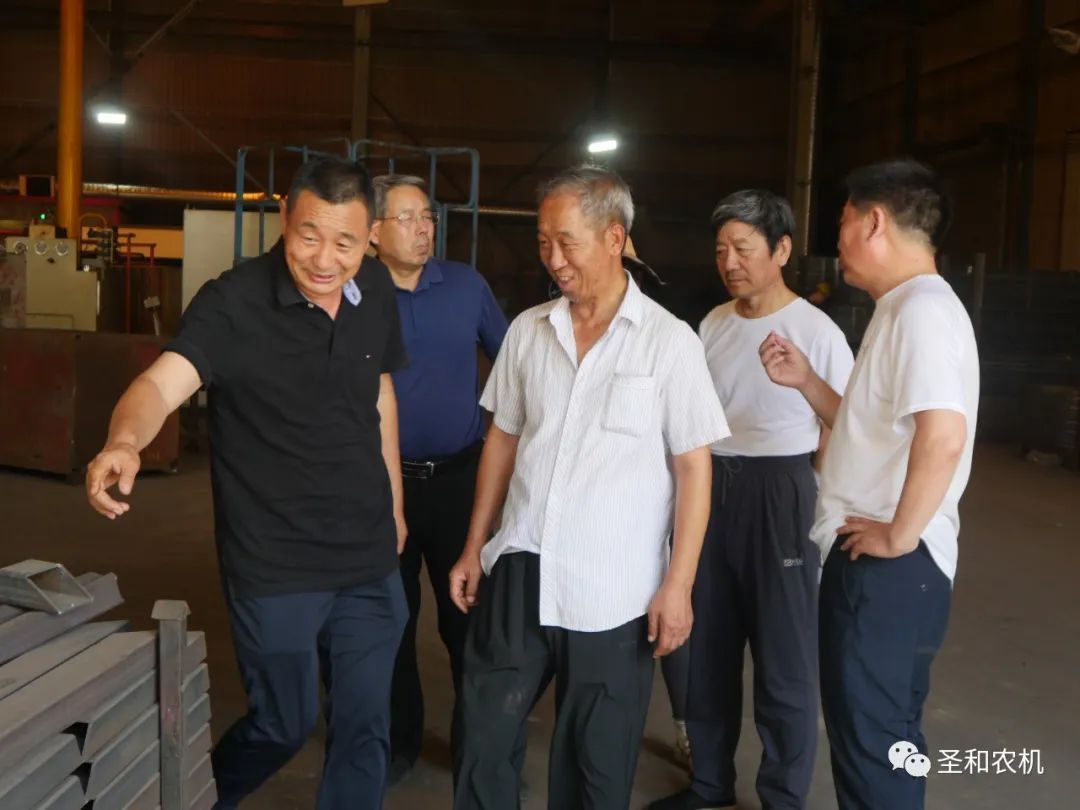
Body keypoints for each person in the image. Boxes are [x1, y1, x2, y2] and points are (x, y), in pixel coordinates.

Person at [85, 156, 409, 810]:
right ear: (284, 216)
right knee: (283, 724)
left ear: (371, 236)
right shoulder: (233, 303)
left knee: (366, 725)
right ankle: (204, 799)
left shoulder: (374, 288)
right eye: (309, 236)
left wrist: (396, 507)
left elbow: (379, 395)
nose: (324, 259)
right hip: (274, 560)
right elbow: (159, 387)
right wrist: (124, 441)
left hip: (367, 554)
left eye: (345, 243)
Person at [448, 165, 730, 810]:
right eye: (543, 242)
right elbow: (502, 441)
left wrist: (679, 585)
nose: (553, 258)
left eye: (566, 242)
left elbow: (694, 469)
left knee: (594, 765)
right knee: (484, 738)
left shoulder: (669, 343)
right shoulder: (528, 331)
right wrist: (473, 546)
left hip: (615, 587)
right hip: (522, 564)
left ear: (613, 237)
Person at [760, 158, 978, 810]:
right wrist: (807, 382)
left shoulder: (921, 313)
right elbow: (876, 431)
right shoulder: (907, 308)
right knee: (890, 739)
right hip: (900, 571)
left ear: (875, 222)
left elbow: (944, 435)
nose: (839, 241)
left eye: (843, 223)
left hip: (886, 568)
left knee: (870, 746)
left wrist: (897, 535)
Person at [649, 190, 853, 810]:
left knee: (784, 660)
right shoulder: (713, 324)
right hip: (711, 484)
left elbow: (850, 427)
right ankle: (709, 786)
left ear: (781, 250)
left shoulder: (817, 331)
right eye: (721, 250)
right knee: (708, 650)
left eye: (742, 248)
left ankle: (782, 798)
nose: (729, 262)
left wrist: (810, 478)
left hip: (780, 491)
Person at [369, 174, 509, 783]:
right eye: (407, 218)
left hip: (459, 482)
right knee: (390, 623)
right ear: (373, 232)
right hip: (381, 488)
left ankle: (477, 749)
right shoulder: (354, 292)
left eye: (427, 216)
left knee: (468, 622)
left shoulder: (466, 286)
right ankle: (398, 745)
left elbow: (516, 362)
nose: (423, 228)